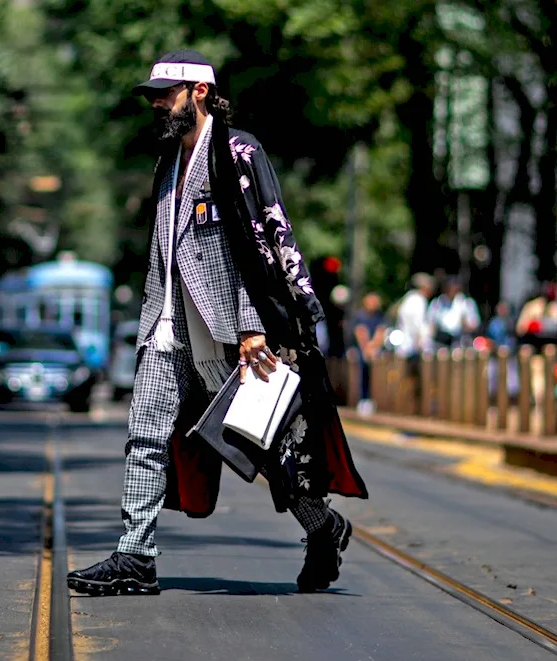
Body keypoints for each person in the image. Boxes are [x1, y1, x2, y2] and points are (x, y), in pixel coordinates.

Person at [66, 50, 367, 597]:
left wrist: (254, 325)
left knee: (266, 448)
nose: (157, 103)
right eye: (153, 95)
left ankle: (323, 527)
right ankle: (136, 556)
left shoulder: (237, 151)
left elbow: (260, 240)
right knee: (145, 435)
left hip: (236, 334)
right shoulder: (168, 160)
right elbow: (166, 250)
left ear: (200, 92)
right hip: (172, 325)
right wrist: (153, 319)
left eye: (167, 92)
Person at [351, 292, 386, 415]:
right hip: (363, 349)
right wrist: (367, 348)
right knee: (363, 370)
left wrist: (373, 346)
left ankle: (375, 400)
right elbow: (360, 332)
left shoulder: (380, 316)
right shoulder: (360, 315)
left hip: (375, 349)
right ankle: (364, 399)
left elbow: (381, 331)